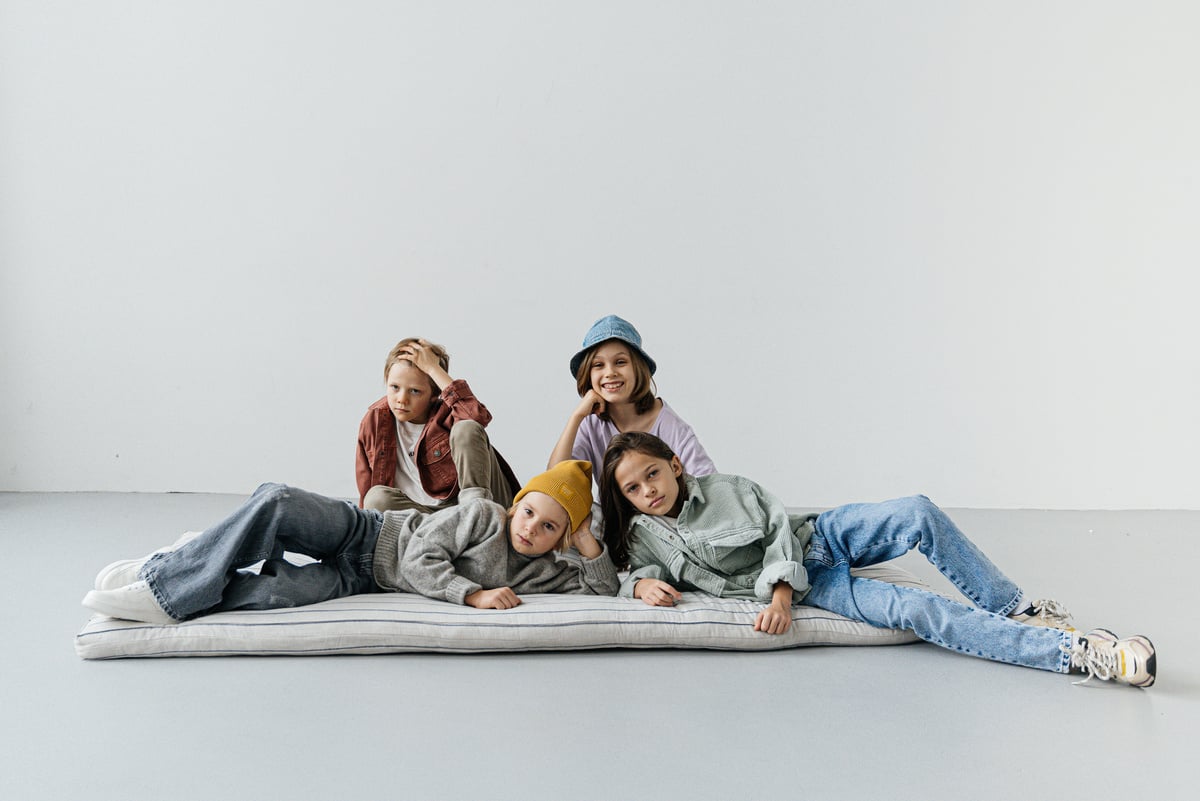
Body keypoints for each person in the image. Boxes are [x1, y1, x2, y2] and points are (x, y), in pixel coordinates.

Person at [599, 432, 1157, 688]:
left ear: (674, 464)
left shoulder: (725, 488)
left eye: (652, 473)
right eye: (632, 488)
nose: (647, 490)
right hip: (822, 586)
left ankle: (1019, 608)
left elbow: (776, 529)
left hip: (819, 537)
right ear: (624, 499)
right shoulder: (649, 537)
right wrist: (642, 587)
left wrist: (780, 594)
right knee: (914, 609)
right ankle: (1078, 653)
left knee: (915, 510)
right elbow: (637, 573)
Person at [81, 460, 617, 624]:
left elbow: (602, 590)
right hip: (367, 532)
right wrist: (471, 595)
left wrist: (587, 539)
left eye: (548, 526)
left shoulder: (547, 567)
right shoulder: (482, 516)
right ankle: (167, 587)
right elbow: (418, 557)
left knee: (271, 594)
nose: (528, 528)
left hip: (361, 578)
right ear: (515, 505)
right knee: (279, 500)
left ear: (560, 537)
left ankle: (183, 561)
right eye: (527, 512)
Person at [357, 337, 520, 512]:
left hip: (475, 506)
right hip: (431, 516)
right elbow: (366, 481)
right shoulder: (375, 420)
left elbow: (476, 417)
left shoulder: (450, 413)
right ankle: (451, 532)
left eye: (415, 391)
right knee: (375, 499)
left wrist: (433, 368)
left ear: (435, 394)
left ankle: (477, 519)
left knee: (467, 428)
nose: (401, 399)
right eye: (394, 387)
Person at [548, 315, 715, 479]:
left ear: (638, 368)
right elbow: (552, 485)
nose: (610, 373)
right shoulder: (590, 425)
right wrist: (576, 417)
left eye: (620, 362)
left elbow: (712, 488)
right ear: (588, 374)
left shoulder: (673, 428)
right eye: (598, 365)